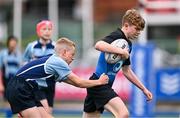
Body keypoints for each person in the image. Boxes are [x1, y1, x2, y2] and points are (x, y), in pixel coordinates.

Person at [6, 37, 109, 118]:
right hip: (20, 87)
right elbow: (79, 82)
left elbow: (75, 83)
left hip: (27, 88)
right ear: (64, 52)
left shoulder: (55, 62)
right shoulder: (58, 62)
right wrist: (99, 81)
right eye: (72, 54)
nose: (73, 58)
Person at [83, 9, 153, 118]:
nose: (138, 33)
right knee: (123, 114)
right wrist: (120, 51)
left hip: (101, 85)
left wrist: (143, 88)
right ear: (126, 25)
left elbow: (127, 71)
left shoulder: (128, 44)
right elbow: (98, 45)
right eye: (136, 29)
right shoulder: (117, 35)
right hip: (99, 83)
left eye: (140, 30)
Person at [23, 20, 55, 114]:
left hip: (50, 84)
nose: (47, 31)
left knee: (48, 112)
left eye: (49, 29)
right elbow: (25, 62)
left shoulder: (56, 46)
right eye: (44, 29)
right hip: (36, 84)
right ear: (38, 31)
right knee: (44, 110)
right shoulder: (31, 46)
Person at [0, 35, 22, 117]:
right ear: (8, 43)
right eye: (11, 42)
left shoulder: (19, 54)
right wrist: (1, 84)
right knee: (7, 101)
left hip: (16, 81)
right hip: (6, 80)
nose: (13, 44)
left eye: (14, 42)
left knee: (17, 101)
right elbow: (0, 69)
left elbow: (21, 69)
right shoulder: (3, 54)